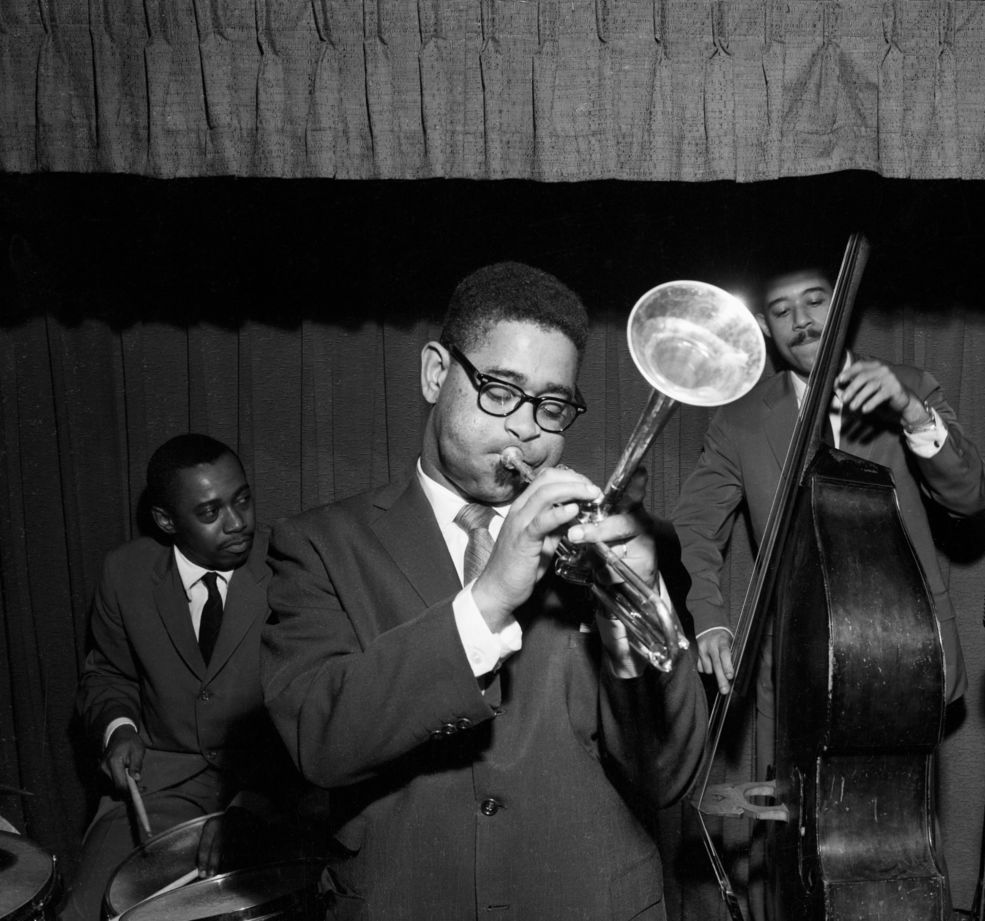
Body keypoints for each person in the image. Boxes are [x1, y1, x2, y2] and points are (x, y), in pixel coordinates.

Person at [260, 261, 708, 921]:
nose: (527, 429)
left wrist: (644, 605)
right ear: (436, 372)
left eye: (552, 406)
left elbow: (672, 774)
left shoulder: (612, 547)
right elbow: (319, 741)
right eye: (500, 389)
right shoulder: (320, 545)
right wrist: (486, 601)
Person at [675, 265, 985, 705]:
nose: (801, 320)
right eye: (781, 310)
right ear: (765, 326)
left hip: (908, 650)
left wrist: (912, 412)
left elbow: (971, 497)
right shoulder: (739, 421)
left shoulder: (912, 387)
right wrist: (708, 617)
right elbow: (695, 523)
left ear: (842, 304)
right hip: (796, 664)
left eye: (815, 300)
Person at [62, 434, 307, 921]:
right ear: (166, 521)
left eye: (242, 500)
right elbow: (108, 675)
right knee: (88, 911)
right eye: (211, 512)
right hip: (159, 785)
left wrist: (251, 804)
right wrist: (120, 730)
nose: (238, 523)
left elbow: (312, 702)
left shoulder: (293, 567)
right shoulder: (124, 573)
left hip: (272, 790)